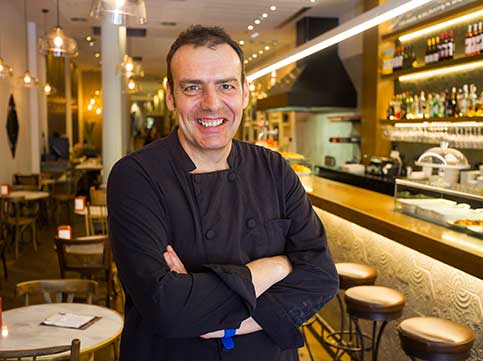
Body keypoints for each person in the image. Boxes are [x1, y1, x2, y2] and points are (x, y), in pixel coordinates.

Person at [107, 25, 339, 361]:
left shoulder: (274, 169)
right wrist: (273, 268)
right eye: (192, 88)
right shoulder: (136, 177)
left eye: (226, 86)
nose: (212, 104)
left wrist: (220, 320)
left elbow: (321, 277)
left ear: (245, 93)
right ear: (171, 96)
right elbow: (167, 307)